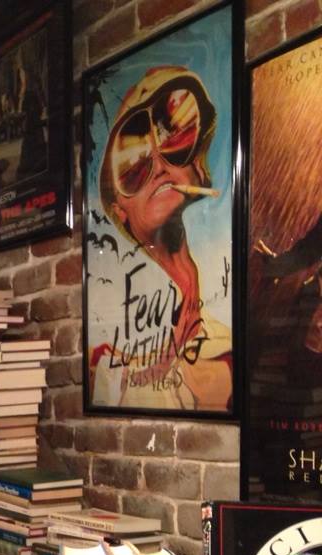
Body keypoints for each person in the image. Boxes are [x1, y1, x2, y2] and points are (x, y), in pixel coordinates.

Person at [89, 66, 232, 411]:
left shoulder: (225, 345)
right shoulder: (105, 358)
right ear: (119, 208)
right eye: (133, 164)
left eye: (173, 136)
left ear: (196, 165)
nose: (155, 161)